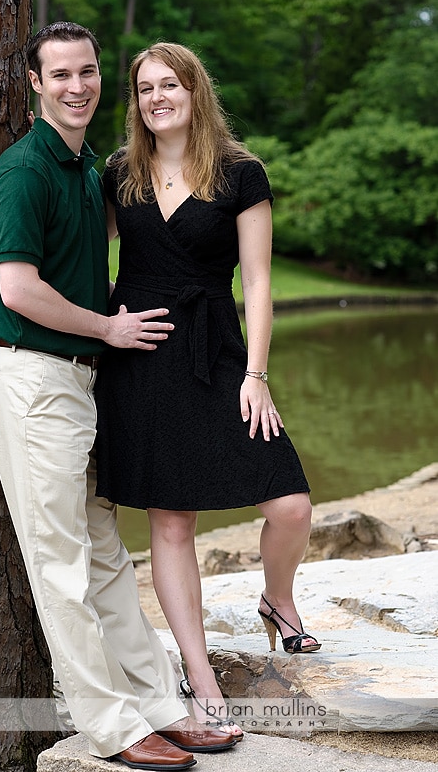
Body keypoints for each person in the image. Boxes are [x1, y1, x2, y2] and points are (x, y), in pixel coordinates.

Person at [0, 23, 237, 769]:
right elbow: (17, 289)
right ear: (34, 82)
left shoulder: (86, 165)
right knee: (60, 566)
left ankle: (159, 704)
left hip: (83, 384)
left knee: (103, 559)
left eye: (87, 71)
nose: (76, 86)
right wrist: (108, 328)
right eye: (58, 74)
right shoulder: (25, 170)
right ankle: (111, 726)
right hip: (34, 383)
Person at [95, 42, 321, 738]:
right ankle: (199, 678)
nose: (156, 96)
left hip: (217, 353)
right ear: (133, 102)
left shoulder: (238, 173)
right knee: (171, 521)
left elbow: (256, 282)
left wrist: (254, 374)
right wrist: (106, 320)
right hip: (141, 361)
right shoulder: (118, 173)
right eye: (143, 88)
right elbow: (80, 256)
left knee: (289, 505)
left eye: (169, 84)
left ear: (195, 91)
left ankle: (276, 599)